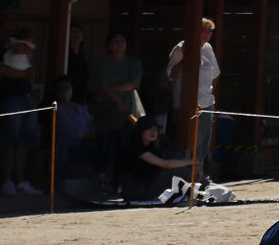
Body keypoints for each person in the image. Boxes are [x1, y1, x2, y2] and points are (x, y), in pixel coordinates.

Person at [165, 18, 220, 180]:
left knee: (202, 142)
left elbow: (215, 74)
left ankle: (199, 173)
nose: (207, 34)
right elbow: (171, 75)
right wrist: (187, 57)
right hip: (184, 103)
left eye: (210, 31)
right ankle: (182, 175)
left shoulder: (208, 48)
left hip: (206, 102)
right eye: (203, 30)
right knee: (184, 140)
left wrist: (208, 92)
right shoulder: (181, 47)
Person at [90, 32, 143, 193]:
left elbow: (133, 84)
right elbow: (102, 85)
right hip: (105, 110)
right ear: (109, 45)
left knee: (123, 147)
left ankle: (119, 181)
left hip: (127, 112)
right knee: (103, 146)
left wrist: (113, 89)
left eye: (122, 40)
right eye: (115, 41)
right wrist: (117, 100)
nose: (118, 43)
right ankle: (101, 179)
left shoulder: (133, 63)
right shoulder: (103, 63)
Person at [0, 25, 40, 195]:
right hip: (10, 98)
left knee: (23, 143)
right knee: (10, 141)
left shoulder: (28, 54)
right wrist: (21, 73)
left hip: (28, 97)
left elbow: (31, 73)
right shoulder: (4, 50)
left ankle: (21, 181)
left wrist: (24, 69)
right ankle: (7, 181)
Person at [116, 115, 191, 202]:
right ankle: (194, 191)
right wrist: (192, 162)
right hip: (134, 190)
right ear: (140, 131)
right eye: (149, 129)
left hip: (143, 186)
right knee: (171, 168)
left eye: (155, 129)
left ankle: (191, 190)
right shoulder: (134, 147)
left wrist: (193, 165)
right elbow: (165, 164)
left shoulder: (150, 147)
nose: (153, 132)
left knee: (176, 158)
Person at [64, 23, 91, 104]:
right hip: (68, 94)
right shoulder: (66, 53)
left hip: (81, 94)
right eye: (73, 32)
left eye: (79, 32)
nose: (76, 34)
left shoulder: (82, 54)